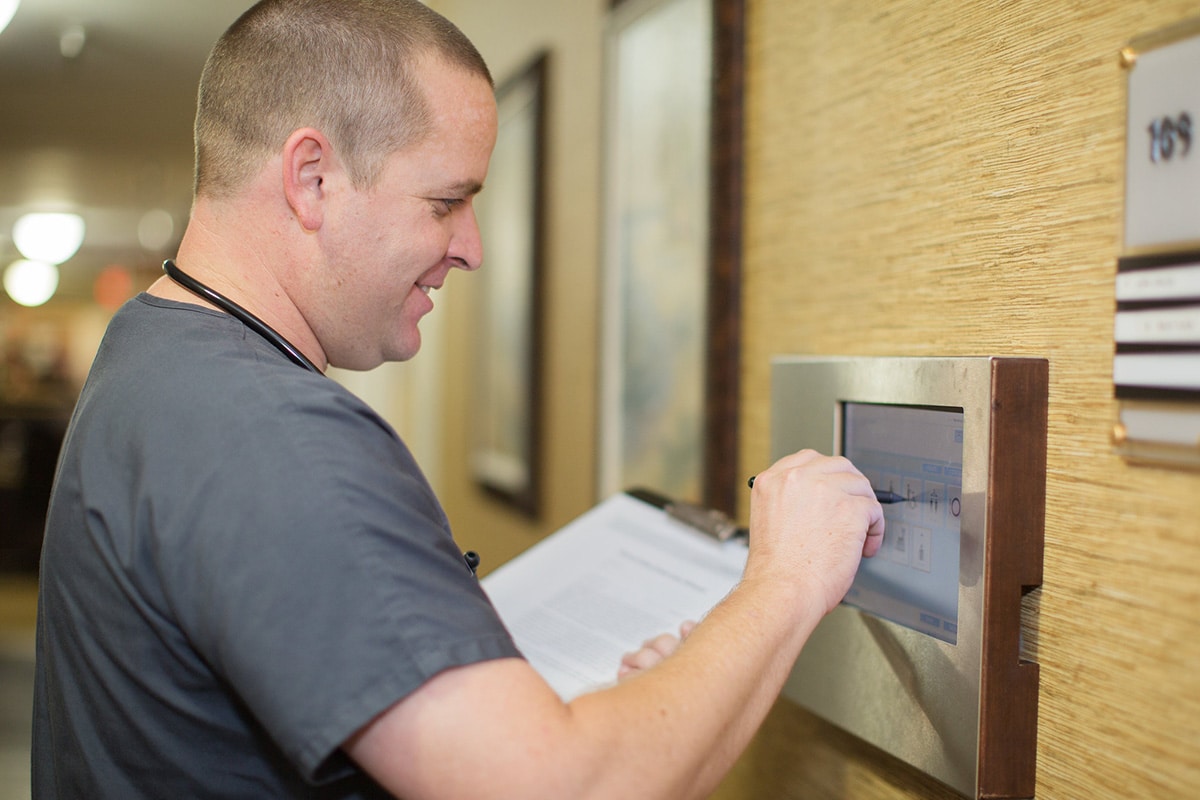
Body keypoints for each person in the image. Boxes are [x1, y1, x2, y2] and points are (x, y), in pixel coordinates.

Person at [31, 1, 885, 798]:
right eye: (447, 203)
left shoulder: (151, 355)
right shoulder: (278, 436)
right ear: (313, 178)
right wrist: (787, 577)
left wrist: (627, 710)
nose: (471, 249)